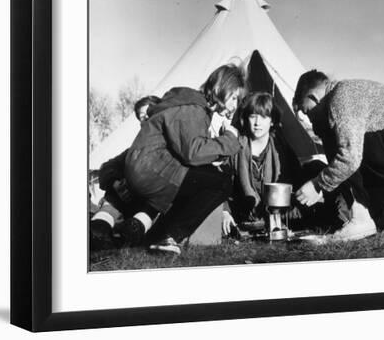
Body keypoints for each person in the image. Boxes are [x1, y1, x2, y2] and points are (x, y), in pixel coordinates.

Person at [292, 71, 384, 241]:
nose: (309, 118)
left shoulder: (341, 96)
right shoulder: (346, 94)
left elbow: (350, 158)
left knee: (334, 135)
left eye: (307, 111)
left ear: (314, 97)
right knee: (375, 217)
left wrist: (317, 184)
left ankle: (359, 214)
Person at [120, 64, 245, 255]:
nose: (235, 105)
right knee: (221, 181)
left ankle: (152, 235)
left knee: (207, 177)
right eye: (234, 97)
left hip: (148, 167)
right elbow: (193, 153)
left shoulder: (188, 104)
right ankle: (167, 236)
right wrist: (229, 138)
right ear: (222, 88)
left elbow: (187, 149)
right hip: (153, 170)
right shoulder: (194, 108)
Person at [222, 92, 301, 236]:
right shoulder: (235, 147)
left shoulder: (281, 148)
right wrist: (225, 211)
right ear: (246, 119)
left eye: (264, 117)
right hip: (242, 214)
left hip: (281, 214)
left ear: (272, 121)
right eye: (253, 116)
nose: (257, 123)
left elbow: (297, 180)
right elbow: (222, 184)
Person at [90, 95, 162, 251]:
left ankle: (129, 232)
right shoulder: (135, 149)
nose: (146, 120)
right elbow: (107, 168)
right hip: (122, 200)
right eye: (142, 118)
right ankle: (98, 230)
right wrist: (116, 183)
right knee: (106, 213)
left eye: (151, 114)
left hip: (148, 205)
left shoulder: (175, 147)